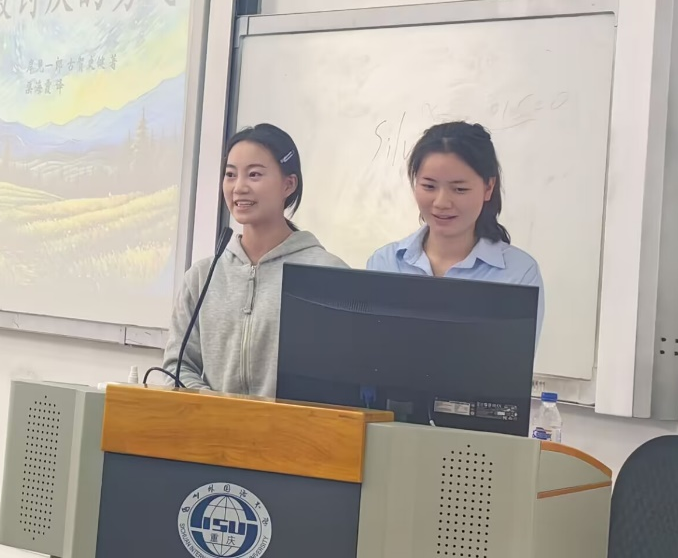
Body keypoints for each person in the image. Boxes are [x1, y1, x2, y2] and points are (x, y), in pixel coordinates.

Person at [161, 123, 347, 397]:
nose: (239, 187)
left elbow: (342, 379)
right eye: (230, 174)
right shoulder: (202, 276)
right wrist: (215, 406)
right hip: (212, 422)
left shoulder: (329, 275)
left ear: (288, 184)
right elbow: (178, 368)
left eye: (254, 174)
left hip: (293, 424)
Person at [367, 121, 545, 344]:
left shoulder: (519, 273)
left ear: (488, 188)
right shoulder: (385, 263)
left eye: (460, 189)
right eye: (429, 186)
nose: (441, 203)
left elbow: (510, 362)